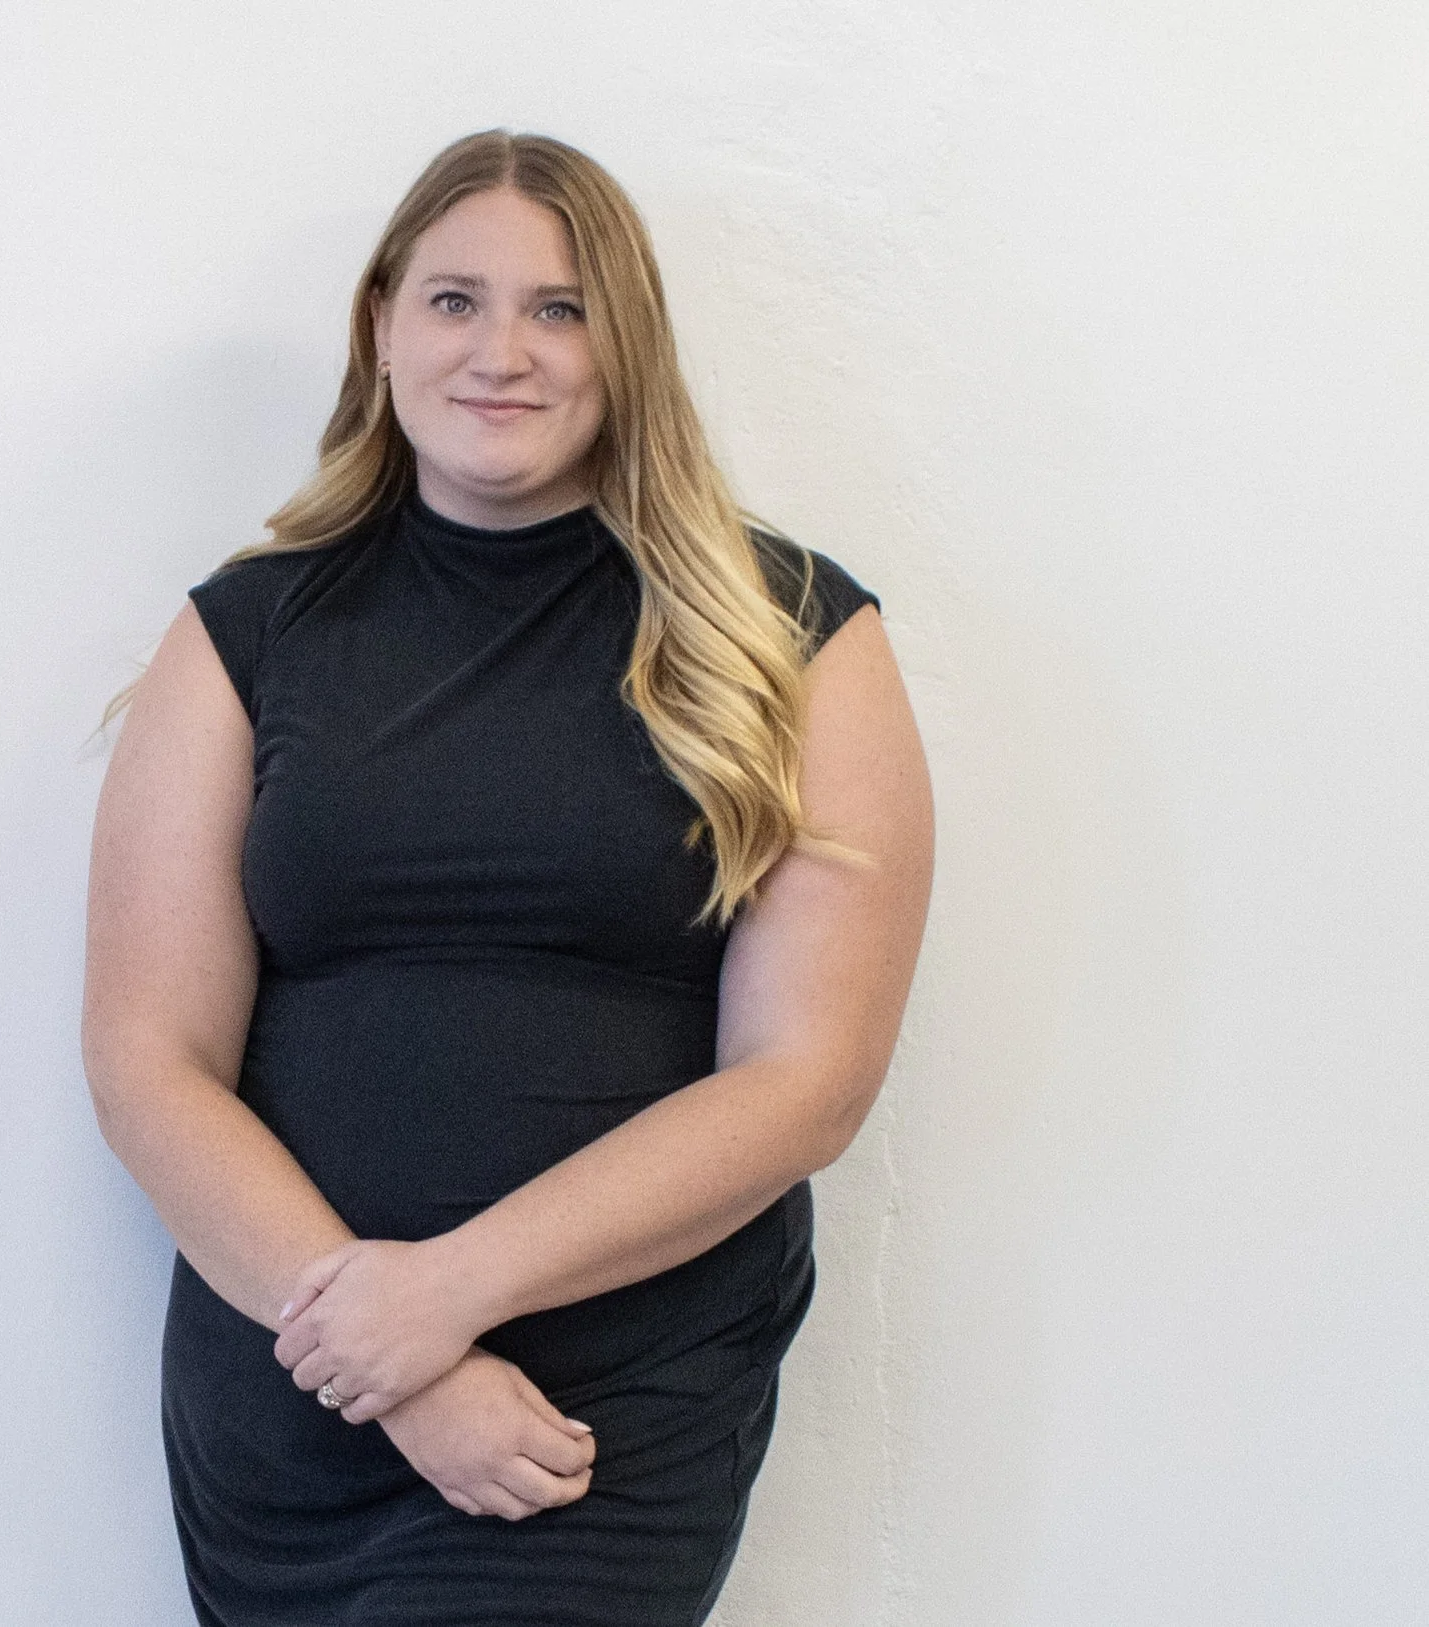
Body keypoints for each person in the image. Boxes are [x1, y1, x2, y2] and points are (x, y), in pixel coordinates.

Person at [81, 128, 934, 1626]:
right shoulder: (247, 631)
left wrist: (451, 1297)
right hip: (292, 1379)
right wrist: (383, 1348)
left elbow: (812, 1076)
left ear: (630, 342)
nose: (505, 351)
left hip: (603, 1400)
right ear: (382, 326)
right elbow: (151, 1057)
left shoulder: (789, 632)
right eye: (455, 300)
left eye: (562, 306)